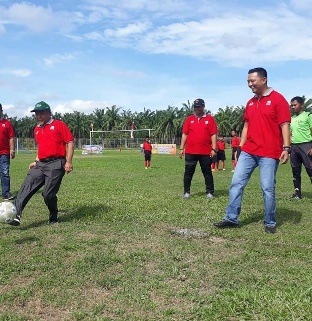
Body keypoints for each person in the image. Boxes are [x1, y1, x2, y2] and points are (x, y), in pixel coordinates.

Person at [214, 67, 291, 233]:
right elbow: (246, 126)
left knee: (267, 188)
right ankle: (231, 218)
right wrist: (240, 147)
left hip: (269, 153)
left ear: (264, 80)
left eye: (252, 81)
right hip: (249, 151)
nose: (250, 84)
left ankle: (270, 222)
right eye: (248, 81)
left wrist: (286, 148)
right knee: (236, 183)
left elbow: (285, 124)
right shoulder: (250, 102)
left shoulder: (278, 99)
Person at [9, 101, 74, 226]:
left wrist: (69, 161)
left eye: (41, 113)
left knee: (48, 194)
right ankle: (16, 214)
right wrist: (36, 160)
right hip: (41, 164)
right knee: (27, 186)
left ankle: (53, 215)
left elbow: (70, 142)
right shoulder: (37, 129)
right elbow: (42, 147)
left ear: (49, 113)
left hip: (56, 163)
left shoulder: (59, 125)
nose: (38, 116)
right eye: (36, 114)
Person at [179, 98, 218, 199]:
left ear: (203, 106)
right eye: (195, 107)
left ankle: (209, 192)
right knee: (188, 172)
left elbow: (213, 134)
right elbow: (185, 134)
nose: (196, 108)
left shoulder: (209, 119)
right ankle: (186, 192)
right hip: (191, 151)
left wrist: (214, 148)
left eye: (198, 106)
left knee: (207, 172)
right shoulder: (189, 119)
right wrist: (181, 148)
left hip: (205, 151)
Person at [289, 96, 312, 200]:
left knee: (310, 170)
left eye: (295, 105)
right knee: (295, 171)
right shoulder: (291, 119)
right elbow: (289, 133)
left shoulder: (308, 116)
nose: (293, 107)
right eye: (292, 105)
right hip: (294, 147)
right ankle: (297, 194)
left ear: (301, 105)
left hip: (306, 145)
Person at [0, 103, 16, 201]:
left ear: (1, 111)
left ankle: (6, 193)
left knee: (5, 173)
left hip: (4, 153)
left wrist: (12, 149)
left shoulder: (7, 123)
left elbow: (11, 137)